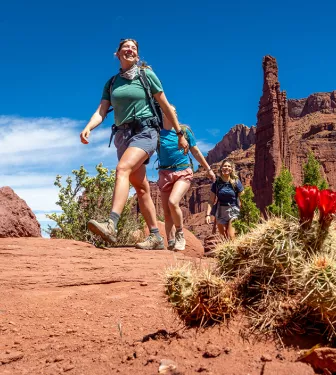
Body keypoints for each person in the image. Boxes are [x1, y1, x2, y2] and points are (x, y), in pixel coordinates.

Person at [79, 38, 189, 250]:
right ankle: (156, 236)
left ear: (137, 55)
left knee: (122, 169)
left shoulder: (146, 75)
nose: (129, 50)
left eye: (133, 48)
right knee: (141, 187)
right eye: (125, 48)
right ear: (117, 54)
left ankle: (111, 224)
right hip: (122, 136)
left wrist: (179, 133)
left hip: (146, 132)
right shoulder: (111, 83)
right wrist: (89, 127)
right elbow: (102, 111)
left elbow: (164, 105)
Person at [158, 105, 216, 251]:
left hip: (183, 171)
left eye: (176, 111)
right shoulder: (157, 133)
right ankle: (171, 242)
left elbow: (195, 152)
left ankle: (180, 234)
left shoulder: (184, 131)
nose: (174, 113)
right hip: (164, 174)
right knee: (166, 212)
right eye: (170, 110)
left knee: (173, 202)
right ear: (163, 113)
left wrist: (208, 169)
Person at [206, 160, 244, 240]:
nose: (227, 168)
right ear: (221, 168)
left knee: (231, 236)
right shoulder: (216, 183)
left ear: (232, 169)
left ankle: (234, 252)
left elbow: (243, 198)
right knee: (224, 238)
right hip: (220, 212)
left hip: (233, 210)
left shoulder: (236, 182)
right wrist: (207, 215)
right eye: (225, 166)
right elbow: (211, 200)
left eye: (229, 166)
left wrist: (244, 212)